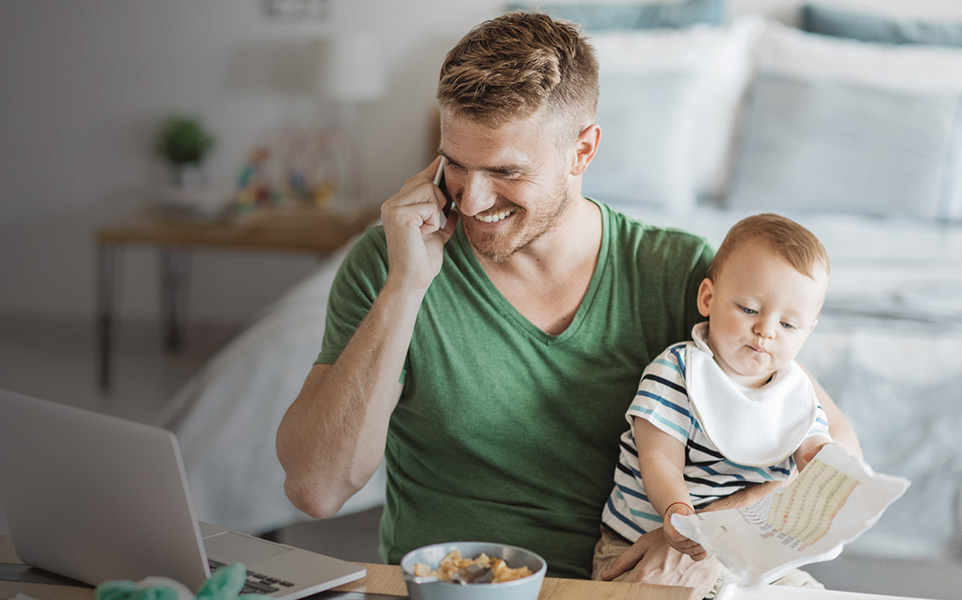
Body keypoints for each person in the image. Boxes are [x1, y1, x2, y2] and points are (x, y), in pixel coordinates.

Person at [273, 10, 861, 591]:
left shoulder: (676, 270)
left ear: (583, 151)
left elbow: (839, 461)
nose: (473, 200)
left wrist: (714, 539)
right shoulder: (389, 262)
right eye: (455, 164)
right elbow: (316, 490)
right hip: (460, 589)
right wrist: (407, 286)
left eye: (505, 171)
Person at [596, 214, 839, 597]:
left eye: (789, 325)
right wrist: (677, 510)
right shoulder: (677, 371)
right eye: (748, 309)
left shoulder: (796, 391)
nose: (766, 330)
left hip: (751, 559)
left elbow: (812, 450)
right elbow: (659, 459)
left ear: (808, 331)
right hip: (642, 544)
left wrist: (830, 466)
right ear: (708, 298)